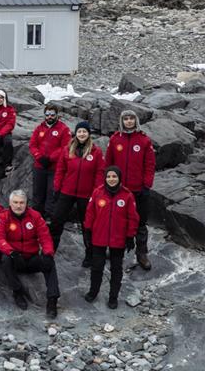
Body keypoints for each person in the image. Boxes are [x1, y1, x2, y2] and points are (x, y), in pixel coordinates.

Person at [0, 190, 60, 319]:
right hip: (15, 259)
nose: (18, 206)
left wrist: (48, 253)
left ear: (26, 204)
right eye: (15, 202)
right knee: (5, 259)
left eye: (21, 203)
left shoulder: (35, 216)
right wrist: (12, 252)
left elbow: (45, 237)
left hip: (31, 258)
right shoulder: (3, 217)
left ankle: (52, 300)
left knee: (50, 262)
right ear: (10, 203)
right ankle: (17, 292)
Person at [50, 121, 106, 267]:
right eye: (79, 131)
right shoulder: (67, 149)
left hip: (86, 195)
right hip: (66, 192)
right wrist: (57, 187)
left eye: (84, 131)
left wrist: (96, 193)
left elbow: (100, 173)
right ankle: (50, 251)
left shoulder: (96, 152)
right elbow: (60, 170)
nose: (82, 134)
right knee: (56, 220)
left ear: (88, 134)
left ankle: (90, 254)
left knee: (87, 225)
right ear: (76, 133)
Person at [105, 110, 156, 270]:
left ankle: (141, 253)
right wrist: (108, 184)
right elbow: (108, 163)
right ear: (122, 121)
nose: (128, 121)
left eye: (131, 118)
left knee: (140, 222)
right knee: (117, 220)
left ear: (136, 120)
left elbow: (150, 164)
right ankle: (116, 248)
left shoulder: (144, 140)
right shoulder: (115, 139)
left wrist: (147, 185)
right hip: (119, 189)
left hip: (139, 189)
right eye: (125, 119)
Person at [83, 167, 140, 309]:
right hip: (99, 236)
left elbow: (133, 218)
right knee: (97, 266)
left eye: (114, 176)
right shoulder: (98, 192)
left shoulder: (127, 195)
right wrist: (87, 230)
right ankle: (93, 291)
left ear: (119, 178)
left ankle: (113, 297)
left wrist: (130, 236)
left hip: (118, 238)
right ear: (105, 178)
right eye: (108, 176)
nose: (111, 179)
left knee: (116, 268)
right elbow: (90, 212)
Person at [29, 104, 71, 218]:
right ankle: (36, 216)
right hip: (39, 166)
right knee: (38, 192)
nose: (49, 117)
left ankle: (49, 216)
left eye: (52, 114)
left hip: (54, 168)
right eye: (47, 114)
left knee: (52, 192)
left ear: (57, 115)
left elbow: (65, 147)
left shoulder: (64, 129)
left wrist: (51, 158)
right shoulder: (39, 128)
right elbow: (32, 145)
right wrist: (39, 157)